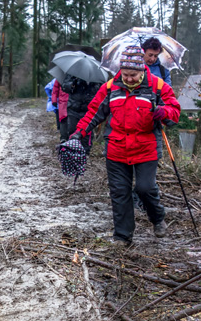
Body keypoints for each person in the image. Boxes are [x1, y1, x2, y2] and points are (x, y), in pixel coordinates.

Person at [70, 45, 181, 245]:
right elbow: (94, 112)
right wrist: (79, 133)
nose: (128, 78)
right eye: (125, 74)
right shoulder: (111, 87)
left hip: (146, 148)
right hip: (116, 148)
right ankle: (123, 236)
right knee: (119, 192)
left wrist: (164, 112)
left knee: (145, 188)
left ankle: (157, 217)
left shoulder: (157, 86)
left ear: (142, 70)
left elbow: (174, 111)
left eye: (133, 74)